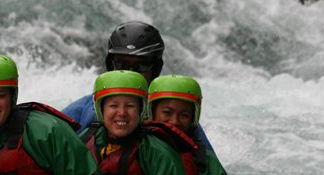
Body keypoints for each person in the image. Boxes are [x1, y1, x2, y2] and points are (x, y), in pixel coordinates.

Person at [63, 21, 213, 150]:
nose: (131, 73)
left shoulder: (173, 115)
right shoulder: (84, 109)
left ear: (155, 69)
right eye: (122, 64)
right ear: (111, 65)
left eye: (141, 66)